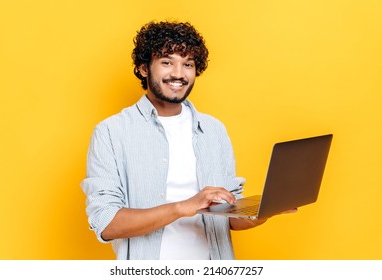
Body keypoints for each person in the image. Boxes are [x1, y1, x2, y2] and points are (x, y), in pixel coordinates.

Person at [81, 21, 295, 260]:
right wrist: (183, 207)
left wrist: (264, 211)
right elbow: (106, 222)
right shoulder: (112, 132)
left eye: (188, 64)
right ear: (143, 68)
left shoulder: (214, 130)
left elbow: (231, 217)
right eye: (166, 62)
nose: (178, 74)